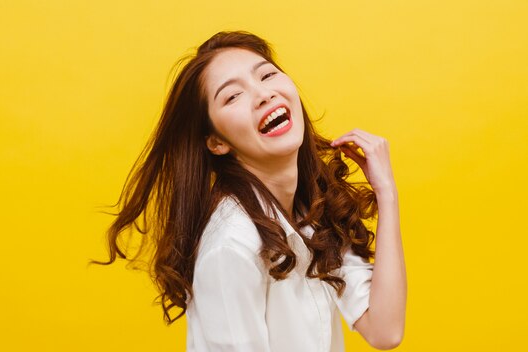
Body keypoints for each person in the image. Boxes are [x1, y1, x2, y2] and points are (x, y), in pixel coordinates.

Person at [96, 31, 406, 351]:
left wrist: (387, 193)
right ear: (217, 142)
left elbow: (385, 330)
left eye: (267, 75)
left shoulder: (311, 207)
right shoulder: (231, 246)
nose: (263, 95)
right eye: (232, 96)